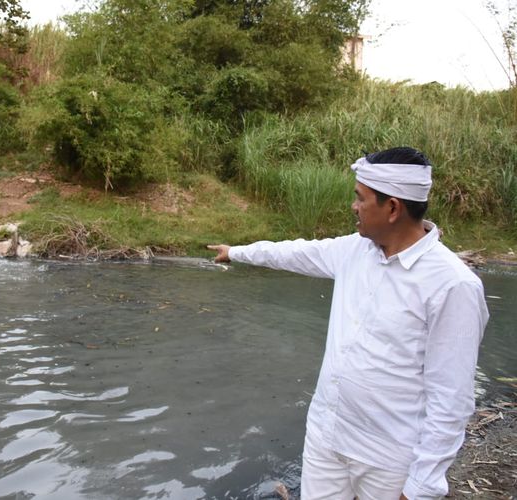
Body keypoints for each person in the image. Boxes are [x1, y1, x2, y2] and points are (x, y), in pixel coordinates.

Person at [208, 147, 489, 500]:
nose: (353, 207)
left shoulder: (452, 285)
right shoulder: (354, 252)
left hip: (389, 459)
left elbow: (451, 401)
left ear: (392, 208)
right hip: (327, 435)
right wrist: (235, 252)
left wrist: (419, 488)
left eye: (360, 199)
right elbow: (293, 252)